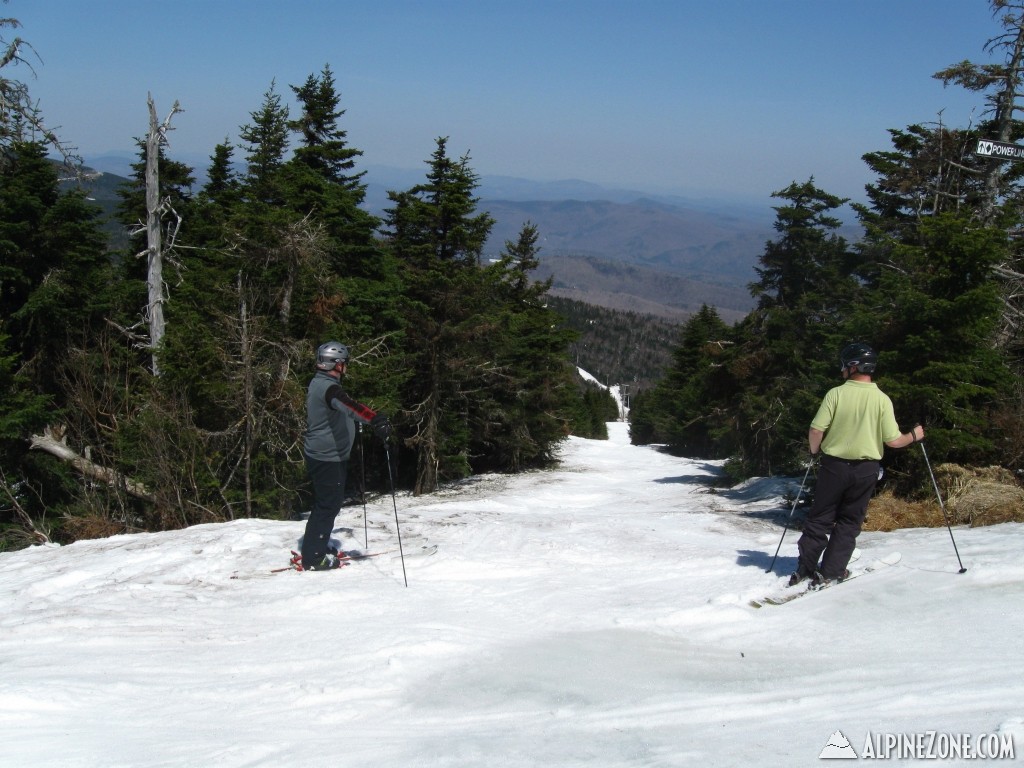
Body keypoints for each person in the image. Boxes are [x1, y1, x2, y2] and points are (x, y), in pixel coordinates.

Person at [790, 342, 923, 588]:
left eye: (843, 364)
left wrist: (814, 451)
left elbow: (816, 429)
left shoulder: (836, 394)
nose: (841, 369)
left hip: (833, 466)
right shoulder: (882, 399)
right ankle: (831, 571)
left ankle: (805, 568)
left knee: (820, 517)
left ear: (853, 366)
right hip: (866, 470)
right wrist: (915, 435)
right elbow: (894, 441)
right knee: (849, 521)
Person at [300, 341, 392, 571]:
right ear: (337, 364)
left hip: (329, 455)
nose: (346, 367)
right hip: (326, 457)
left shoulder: (323, 382)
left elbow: (342, 410)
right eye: (345, 363)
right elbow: (349, 405)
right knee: (328, 505)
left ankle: (316, 545)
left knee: (328, 503)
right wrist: (374, 419)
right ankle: (313, 558)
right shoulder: (329, 388)